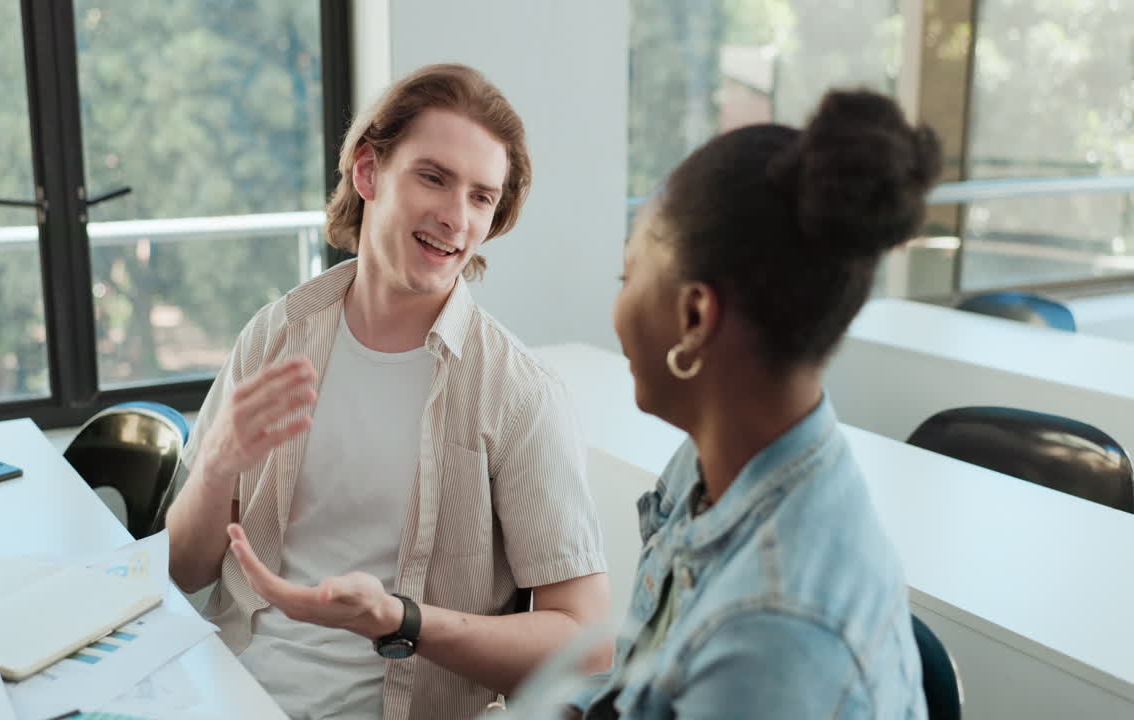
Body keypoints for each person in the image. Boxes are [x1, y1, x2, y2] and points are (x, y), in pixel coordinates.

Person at [164, 63, 611, 720]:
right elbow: (180, 572)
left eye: (482, 197)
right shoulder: (276, 334)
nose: (455, 218)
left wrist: (401, 620)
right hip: (221, 689)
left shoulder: (518, 394)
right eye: (433, 177)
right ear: (369, 172)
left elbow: (587, 646)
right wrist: (217, 466)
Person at [569, 88, 941, 718]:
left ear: (694, 316)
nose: (617, 306)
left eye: (626, 278)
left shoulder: (774, 644)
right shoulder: (707, 464)